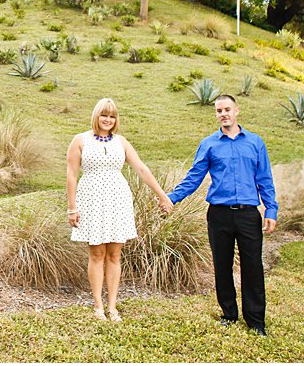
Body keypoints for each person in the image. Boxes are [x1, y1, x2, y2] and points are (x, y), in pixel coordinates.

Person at [162, 94, 278, 336]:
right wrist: (171, 197)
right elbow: (194, 177)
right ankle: (229, 314)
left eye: (227, 109)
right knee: (222, 266)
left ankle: (256, 322)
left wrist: (271, 209)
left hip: (248, 215)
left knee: (253, 267)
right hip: (219, 215)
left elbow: (264, 179)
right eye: (218, 111)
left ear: (237, 111)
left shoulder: (255, 143)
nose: (223, 114)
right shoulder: (209, 144)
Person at [66, 98, 170, 322]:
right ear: (96, 116)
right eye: (104, 115)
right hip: (91, 199)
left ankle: (112, 306)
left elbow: (141, 168)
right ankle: (98, 306)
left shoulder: (121, 142)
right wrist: (72, 208)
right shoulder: (80, 140)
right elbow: (71, 175)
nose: (108, 120)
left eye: (112, 116)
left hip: (118, 200)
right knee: (96, 253)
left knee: (114, 254)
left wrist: (161, 194)